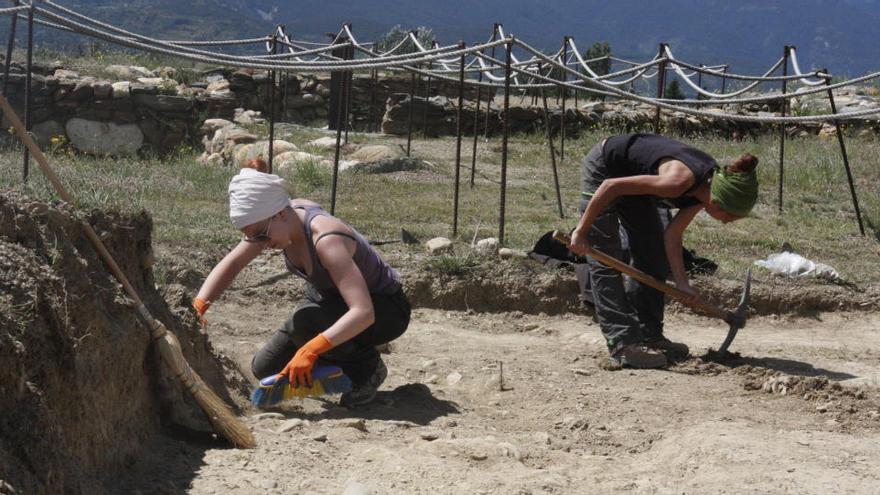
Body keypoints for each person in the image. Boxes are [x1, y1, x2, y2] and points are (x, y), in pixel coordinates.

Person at [193, 159, 411, 406]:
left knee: (307, 324)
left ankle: (368, 369)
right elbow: (233, 263)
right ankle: (333, 364)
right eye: (251, 237)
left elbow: (363, 312)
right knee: (265, 368)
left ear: (281, 214)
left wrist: (310, 351)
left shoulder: (327, 240)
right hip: (331, 301)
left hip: (385, 310)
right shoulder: (274, 221)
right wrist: (199, 305)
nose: (260, 244)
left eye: (261, 236)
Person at [570, 133, 758, 368]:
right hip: (607, 169)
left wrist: (682, 283)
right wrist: (581, 231)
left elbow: (672, 236)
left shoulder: (704, 190)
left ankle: (650, 335)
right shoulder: (678, 183)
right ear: (717, 202)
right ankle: (622, 344)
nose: (726, 222)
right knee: (606, 258)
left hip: (631, 179)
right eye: (728, 217)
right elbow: (611, 186)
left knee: (652, 252)